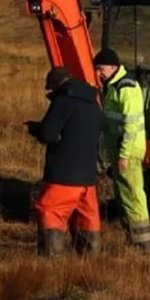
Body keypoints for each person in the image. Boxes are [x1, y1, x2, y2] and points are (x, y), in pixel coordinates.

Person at [25, 66, 102, 257]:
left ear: (55, 86)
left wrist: (35, 128)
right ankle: (91, 265)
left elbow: (49, 134)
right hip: (88, 179)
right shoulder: (94, 103)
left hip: (63, 175)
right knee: (86, 221)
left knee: (50, 212)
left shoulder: (63, 101)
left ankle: (52, 264)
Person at [93, 48, 150, 249]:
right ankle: (133, 238)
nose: (98, 73)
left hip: (127, 151)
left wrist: (124, 155)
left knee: (133, 194)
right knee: (124, 196)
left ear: (112, 67)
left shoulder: (126, 88)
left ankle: (144, 243)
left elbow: (131, 125)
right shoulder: (112, 86)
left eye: (100, 68)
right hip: (118, 150)